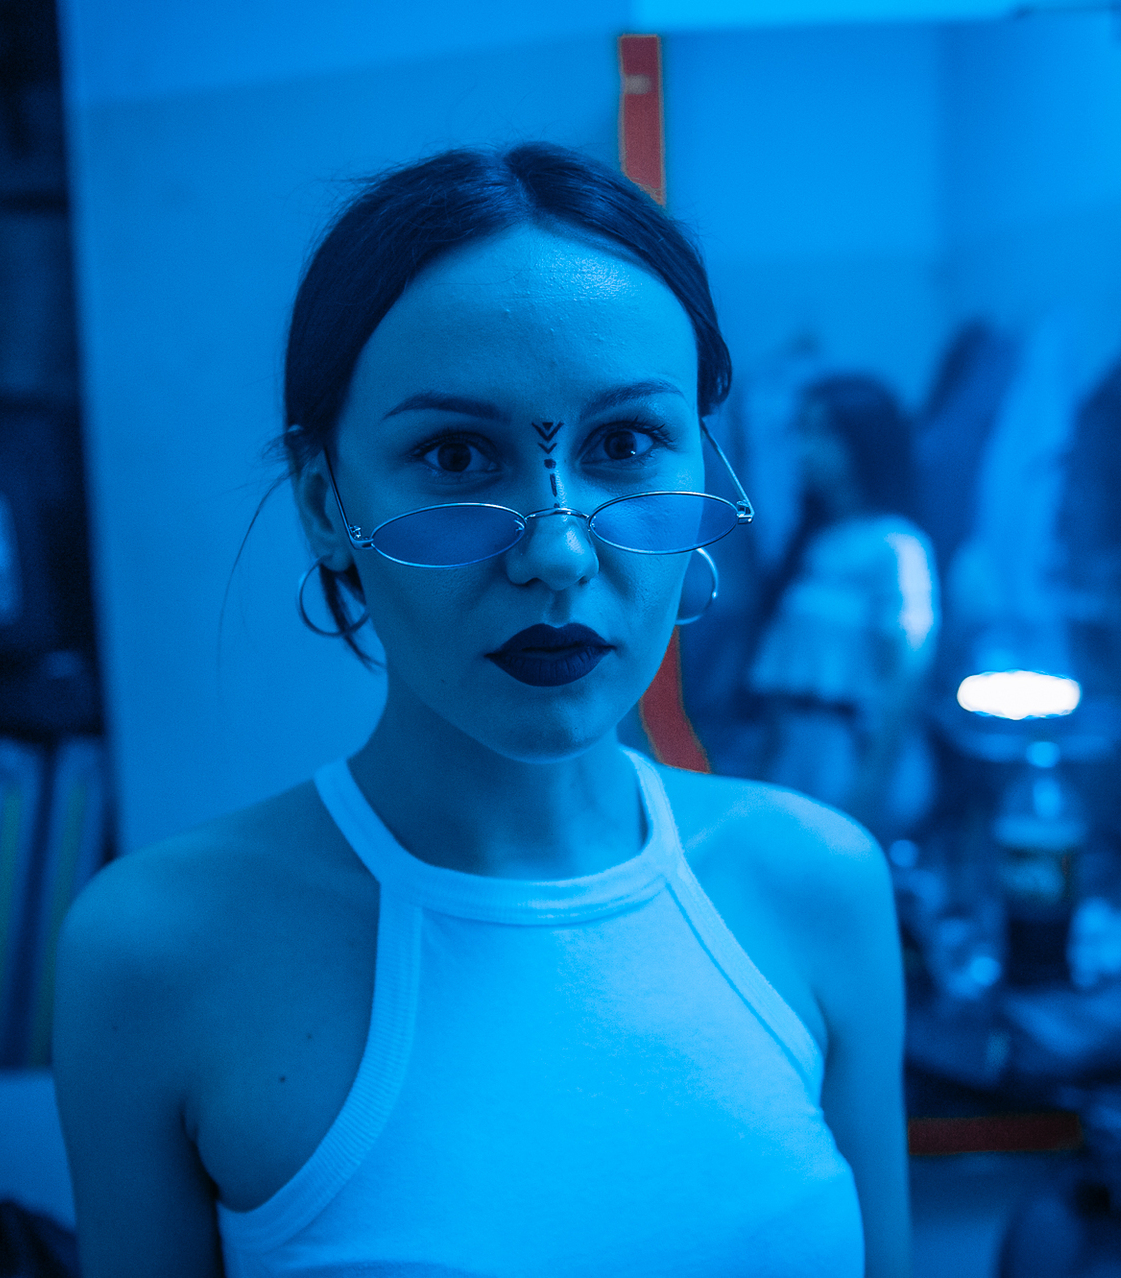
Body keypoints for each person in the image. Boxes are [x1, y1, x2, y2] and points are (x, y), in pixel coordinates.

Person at [53, 143, 910, 1278]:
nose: (558, 553)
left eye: (625, 443)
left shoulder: (818, 883)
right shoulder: (156, 952)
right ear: (325, 505)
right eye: (456, 454)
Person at [745, 374, 938, 842]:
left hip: (854, 754)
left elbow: (904, 681)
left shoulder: (896, 547)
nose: (806, 450)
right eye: (803, 431)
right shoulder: (811, 541)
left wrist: (869, 786)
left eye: (824, 432)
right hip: (797, 754)